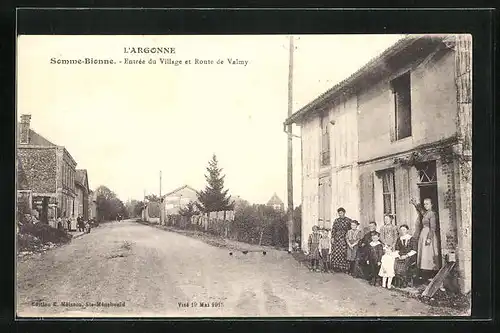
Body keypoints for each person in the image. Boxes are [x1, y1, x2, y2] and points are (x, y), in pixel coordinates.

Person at [410, 197, 441, 281]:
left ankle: (432, 274)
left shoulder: (432, 214)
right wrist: (415, 203)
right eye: (424, 204)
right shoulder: (426, 213)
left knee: (429, 254)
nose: (425, 205)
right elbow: (421, 211)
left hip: (428, 234)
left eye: (427, 204)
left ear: (432, 204)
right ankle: (425, 275)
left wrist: (429, 238)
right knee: (424, 254)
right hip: (423, 234)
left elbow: (433, 227)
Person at [330, 207, 352, 273]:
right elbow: (333, 229)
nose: (340, 214)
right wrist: (332, 237)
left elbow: (350, 229)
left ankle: (344, 268)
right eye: (339, 213)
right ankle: (336, 267)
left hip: (344, 238)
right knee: (336, 252)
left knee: (343, 252)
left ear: (344, 213)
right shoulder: (336, 221)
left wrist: (349, 237)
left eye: (341, 213)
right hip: (337, 238)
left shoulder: (348, 220)